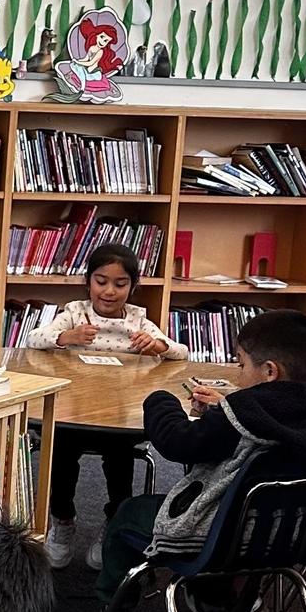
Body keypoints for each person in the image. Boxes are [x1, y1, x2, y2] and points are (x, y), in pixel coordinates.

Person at [84, 309, 306, 612]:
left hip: (221, 537)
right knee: (232, 513)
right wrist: (224, 409)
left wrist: (160, 400)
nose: (237, 373)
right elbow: (258, 426)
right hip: (287, 536)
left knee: (128, 515)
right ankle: (214, 607)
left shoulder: (239, 416)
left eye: (241, 364)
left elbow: (177, 443)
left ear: (268, 371)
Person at [28, 243, 185, 567]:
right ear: (89, 282)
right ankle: (63, 521)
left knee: (120, 462)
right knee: (60, 454)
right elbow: (34, 339)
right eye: (101, 281)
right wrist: (67, 337)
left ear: (133, 286)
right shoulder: (75, 313)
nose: (110, 291)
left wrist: (157, 345)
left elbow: (180, 352)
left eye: (120, 283)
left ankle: (113, 524)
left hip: (118, 416)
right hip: (73, 411)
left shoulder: (139, 321)